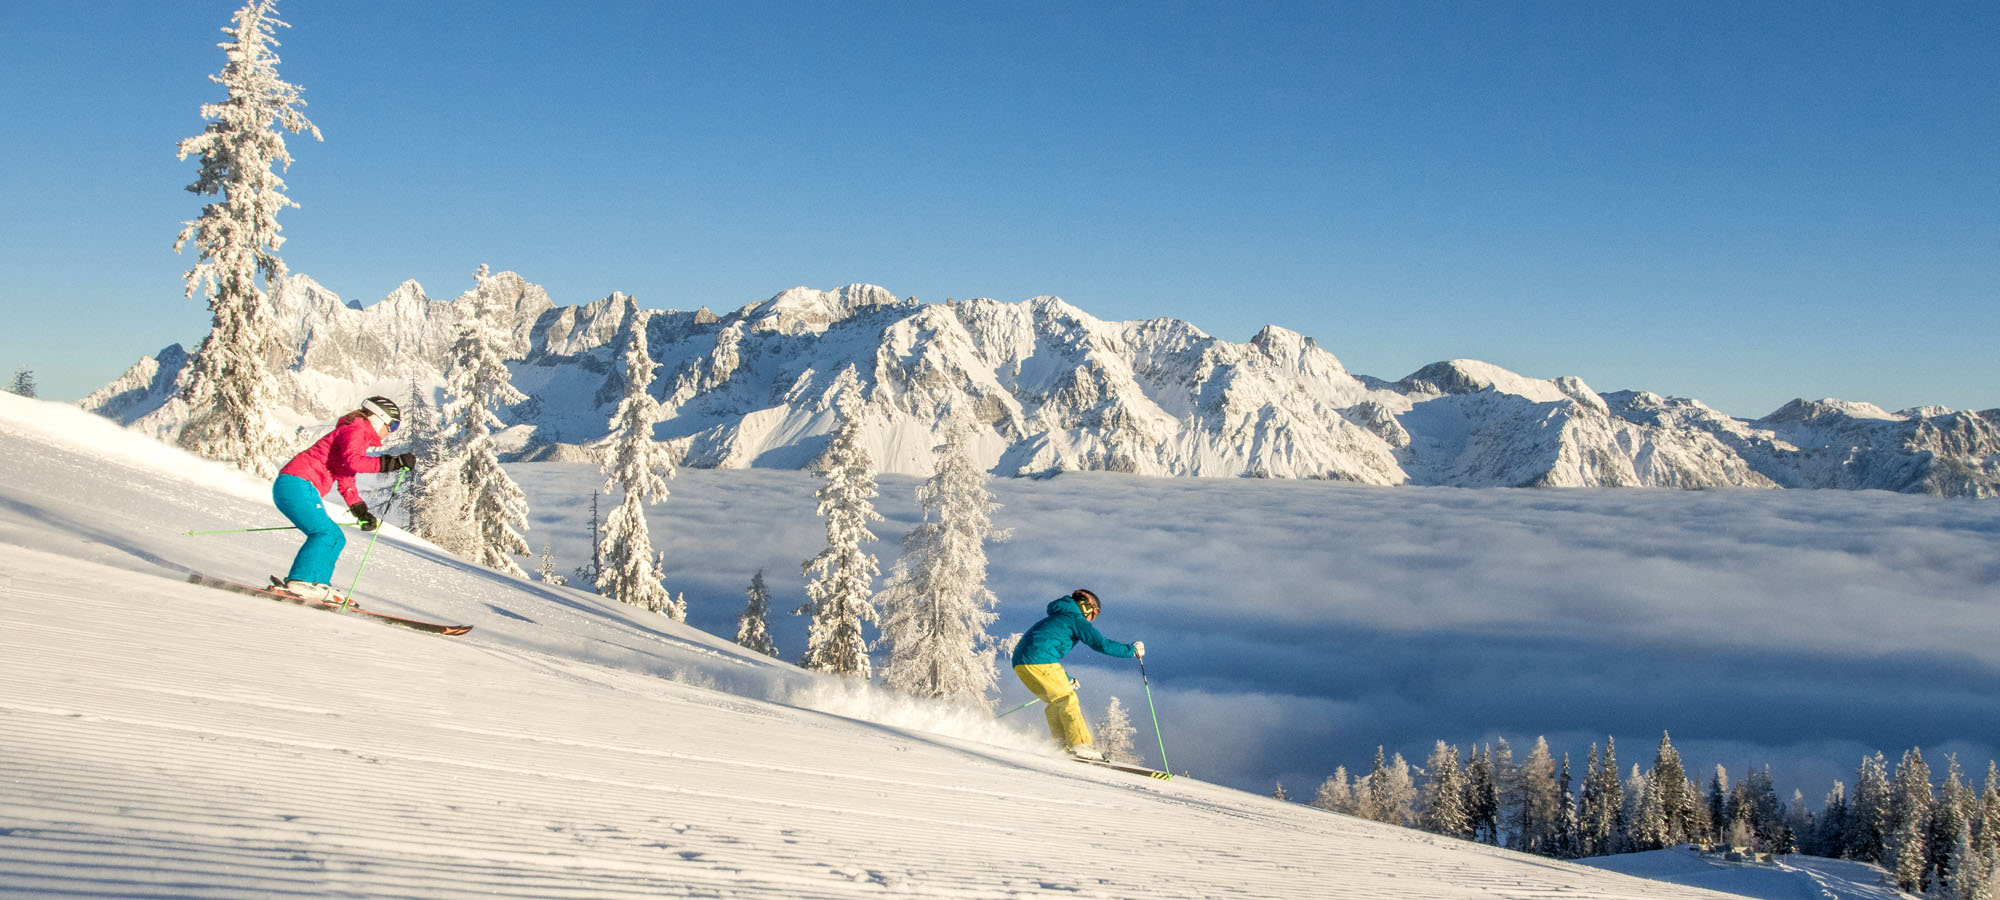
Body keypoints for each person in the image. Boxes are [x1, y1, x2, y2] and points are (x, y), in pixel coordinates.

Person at [272, 396, 415, 601]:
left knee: (336, 537)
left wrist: (360, 511)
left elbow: (346, 479)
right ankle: (301, 581)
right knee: (325, 533)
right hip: (297, 483)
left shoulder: (355, 434)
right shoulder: (355, 430)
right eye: (392, 424)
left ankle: (317, 584)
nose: (390, 431)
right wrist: (394, 462)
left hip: (296, 486)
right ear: (377, 417)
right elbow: (355, 463)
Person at [1010, 588, 1145, 761]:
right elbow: (1101, 644)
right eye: (1094, 614)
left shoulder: (1060, 616)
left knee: (1055, 701)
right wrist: (1131, 650)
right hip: (1038, 659)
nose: (1091, 619)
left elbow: (1045, 645)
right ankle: (1080, 745)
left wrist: (1066, 679)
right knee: (1067, 699)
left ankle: (1060, 745)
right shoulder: (1075, 618)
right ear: (1086, 606)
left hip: (1021, 663)